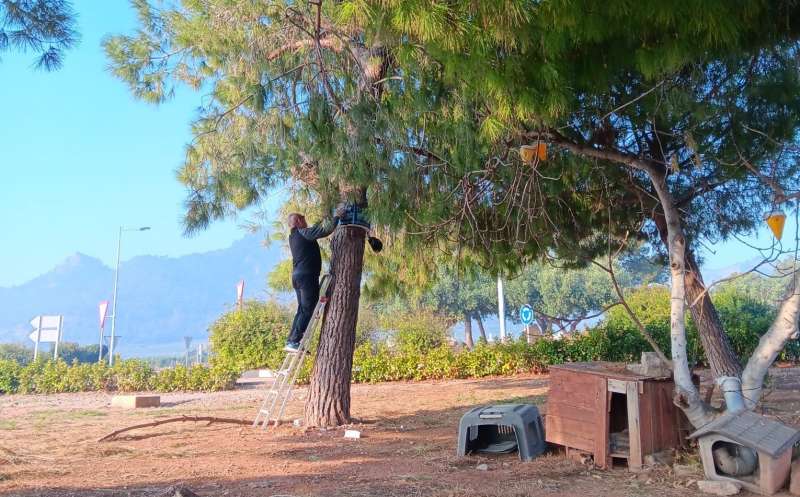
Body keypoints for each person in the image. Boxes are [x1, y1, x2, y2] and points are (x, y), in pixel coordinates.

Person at [284, 211, 340, 352]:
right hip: (307, 276)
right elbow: (324, 230)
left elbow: (315, 229)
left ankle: (292, 339)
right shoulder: (303, 232)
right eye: (303, 219)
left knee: (302, 309)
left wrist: (325, 217)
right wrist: (337, 216)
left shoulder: (294, 236)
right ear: (298, 222)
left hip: (298, 277)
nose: (305, 221)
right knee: (308, 308)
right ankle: (294, 340)